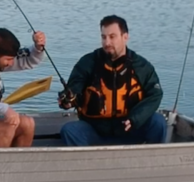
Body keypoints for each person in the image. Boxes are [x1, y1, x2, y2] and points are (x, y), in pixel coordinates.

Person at [58, 15, 166, 146]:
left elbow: (155, 94)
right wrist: (68, 102)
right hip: (95, 132)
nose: (107, 42)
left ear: (125, 37)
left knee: (158, 122)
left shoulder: (141, 66)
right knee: (69, 130)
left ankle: (150, 162)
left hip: (131, 130)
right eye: (103, 37)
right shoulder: (87, 63)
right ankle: (88, 164)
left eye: (112, 37)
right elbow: (75, 90)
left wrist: (135, 119)